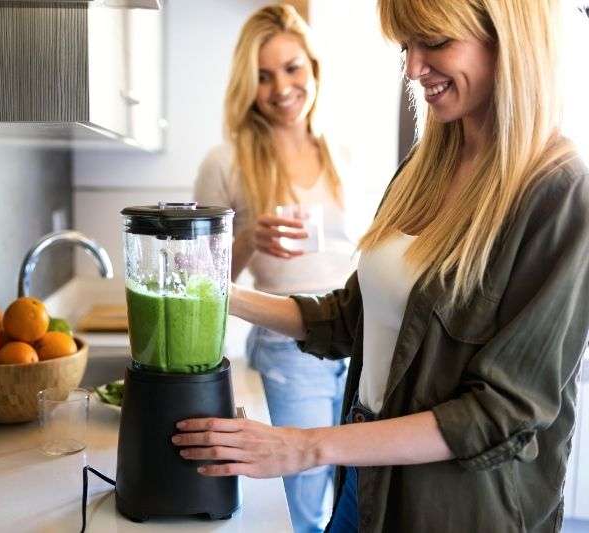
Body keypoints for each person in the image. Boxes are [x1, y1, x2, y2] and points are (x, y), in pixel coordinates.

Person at [176, 1, 589, 532]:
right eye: (405, 47)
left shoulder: (558, 192)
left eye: (434, 42)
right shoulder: (425, 167)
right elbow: (352, 318)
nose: (414, 69)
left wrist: (303, 447)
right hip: (365, 477)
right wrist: (214, 292)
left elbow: (501, 413)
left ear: (506, 39)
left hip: (448, 509)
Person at [193, 5, 360, 531]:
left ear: (313, 68)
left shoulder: (342, 152)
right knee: (304, 500)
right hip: (289, 345)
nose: (281, 87)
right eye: (263, 76)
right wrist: (246, 239)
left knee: (352, 491)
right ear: (247, 84)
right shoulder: (227, 160)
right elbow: (199, 273)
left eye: (292, 68)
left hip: (356, 336)